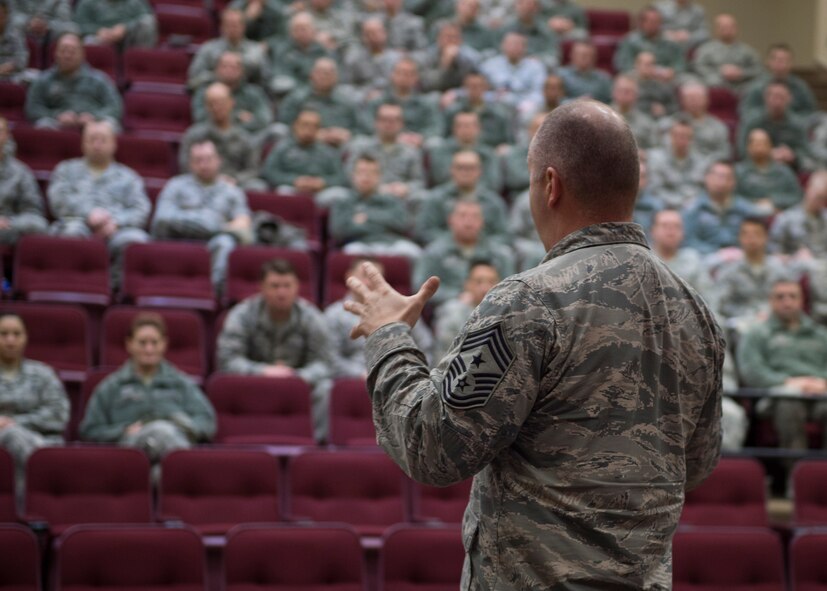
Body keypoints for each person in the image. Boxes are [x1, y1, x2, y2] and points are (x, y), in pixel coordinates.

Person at [343, 100, 724, 588]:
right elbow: (697, 463)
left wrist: (388, 335)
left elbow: (431, 446)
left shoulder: (529, 302)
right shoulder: (697, 312)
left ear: (550, 185)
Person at [216, 258, 332, 441]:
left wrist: (297, 376)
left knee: (325, 388)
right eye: (274, 286)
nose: (281, 292)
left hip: (297, 388)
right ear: (261, 287)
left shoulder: (311, 317)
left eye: (287, 285)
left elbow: (325, 363)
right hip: (252, 386)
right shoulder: (241, 315)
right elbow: (227, 360)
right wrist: (263, 371)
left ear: (297, 287)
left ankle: (314, 444)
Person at [79, 313, 216, 462]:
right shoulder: (111, 386)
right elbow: (89, 430)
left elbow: (207, 422)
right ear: (129, 344)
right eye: (142, 343)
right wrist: (122, 431)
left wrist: (181, 425)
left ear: (164, 344)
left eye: (154, 342)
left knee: (163, 441)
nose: (149, 349)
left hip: (171, 448)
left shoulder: (181, 383)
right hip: (130, 453)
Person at [47, 120, 151, 286]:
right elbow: (58, 200)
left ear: (114, 143)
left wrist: (116, 221)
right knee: (72, 233)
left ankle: (117, 292)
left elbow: (141, 209)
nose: (97, 144)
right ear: (82, 143)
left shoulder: (128, 176)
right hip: (76, 223)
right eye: (92, 139)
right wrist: (88, 214)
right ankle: (71, 286)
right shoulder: (66, 170)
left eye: (103, 140)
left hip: (117, 230)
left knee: (136, 240)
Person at [737, 278, 827, 452]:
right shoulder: (756, 333)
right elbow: (752, 371)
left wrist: (822, 383)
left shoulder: (820, 334)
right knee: (789, 402)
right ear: (771, 301)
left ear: (802, 300)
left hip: (820, 393)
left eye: (793, 296)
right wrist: (788, 382)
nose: (787, 302)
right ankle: (797, 473)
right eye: (780, 297)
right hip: (777, 396)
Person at [152, 140, 252, 291]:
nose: (204, 165)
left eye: (209, 159)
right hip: (177, 242)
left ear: (219, 161)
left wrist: (191, 221)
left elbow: (244, 227)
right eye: (198, 160)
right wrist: (210, 224)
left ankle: (215, 294)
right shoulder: (175, 185)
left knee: (225, 243)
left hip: (213, 246)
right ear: (190, 164)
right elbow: (161, 219)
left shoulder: (232, 191)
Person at [325, 258, 433, 379]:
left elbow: (425, 347)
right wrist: (362, 375)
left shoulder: (401, 308)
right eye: (364, 276)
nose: (369, 283)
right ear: (349, 276)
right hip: (355, 380)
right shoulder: (333, 314)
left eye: (377, 278)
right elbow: (329, 359)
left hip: (401, 377)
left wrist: (413, 373)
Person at [0, 313, 69, 495]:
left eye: (16, 333)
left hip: (40, 442)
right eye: (4, 333)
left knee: (14, 434)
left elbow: (59, 414)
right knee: (11, 436)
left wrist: (16, 423)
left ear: (25, 337)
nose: (10, 340)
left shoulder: (43, 374)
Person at [24, 32, 122, 131]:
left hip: (93, 125)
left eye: (72, 51)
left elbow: (115, 107)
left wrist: (94, 116)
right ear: (55, 53)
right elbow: (33, 108)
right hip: (56, 124)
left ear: (82, 54)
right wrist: (56, 115)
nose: (67, 56)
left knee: (109, 125)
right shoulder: (43, 80)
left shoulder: (99, 79)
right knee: (43, 125)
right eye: (63, 51)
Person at [328, 156, 421, 258]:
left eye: (372, 172)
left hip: (392, 244)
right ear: (353, 175)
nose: (366, 177)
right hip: (360, 244)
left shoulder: (392, 199)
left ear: (379, 176)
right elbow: (338, 231)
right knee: (351, 252)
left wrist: (366, 218)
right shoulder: (343, 201)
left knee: (414, 252)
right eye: (361, 172)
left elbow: (402, 224)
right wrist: (385, 222)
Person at [432, 259, 499, 360]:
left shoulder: (507, 312)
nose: (485, 288)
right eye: (479, 282)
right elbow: (445, 351)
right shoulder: (452, 311)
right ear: (467, 284)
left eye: (491, 281)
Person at [0, 117, 48, 245]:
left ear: (6, 135)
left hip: (7, 229)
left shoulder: (21, 172)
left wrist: (9, 222)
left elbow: (34, 213)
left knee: (39, 225)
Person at [735, 128, 802, 213]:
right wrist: (754, 203)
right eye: (756, 144)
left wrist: (774, 201)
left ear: (771, 146)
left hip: (780, 215)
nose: (759, 148)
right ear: (748, 147)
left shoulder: (784, 171)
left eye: (763, 143)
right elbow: (732, 198)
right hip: (746, 215)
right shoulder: (738, 171)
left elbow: (797, 197)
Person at [691, 13, 761, 93]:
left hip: (742, 88)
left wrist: (741, 73)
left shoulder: (748, 51)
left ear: (736, 28)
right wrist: (719, 73)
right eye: (723, 27)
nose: (727, 30)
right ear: (717, 29)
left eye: (730, 27)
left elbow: (757, 69)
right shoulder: (705, 50)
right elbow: (698, 66)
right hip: (715, 87)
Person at [73, 0, 157, 49]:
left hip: (129, 39)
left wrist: (125, 28)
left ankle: (140, 61)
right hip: (98, 37)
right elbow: (78, 24)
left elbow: (147, 16)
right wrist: (97, 30)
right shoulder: (87, 2)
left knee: (147, 22)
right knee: (80, 40)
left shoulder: (136, 2)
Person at [557, 39, 612, 104]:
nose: (584, 58)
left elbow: (610, 101)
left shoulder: (604, 78)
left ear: (594, 57)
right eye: (581, 55)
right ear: (572, 55)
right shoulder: (560, 75)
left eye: (588, 55)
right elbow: (554, 100)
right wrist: (576, 102)